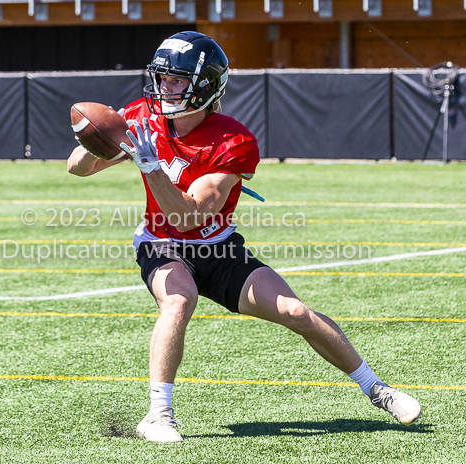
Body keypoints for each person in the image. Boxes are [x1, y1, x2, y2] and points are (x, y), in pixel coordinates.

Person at [67, 31, 421, 443]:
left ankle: (377, 389)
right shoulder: (142, 116)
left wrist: (149, 165)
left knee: (295, 312)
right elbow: (77, 168)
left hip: (216, 245)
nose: (165, 88)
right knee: (179, 300)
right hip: (160, 243)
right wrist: (101, 139)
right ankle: (159, 415)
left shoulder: (233, 140)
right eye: (162, 78)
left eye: (177, 80)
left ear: (204, 86)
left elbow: (190, 217)